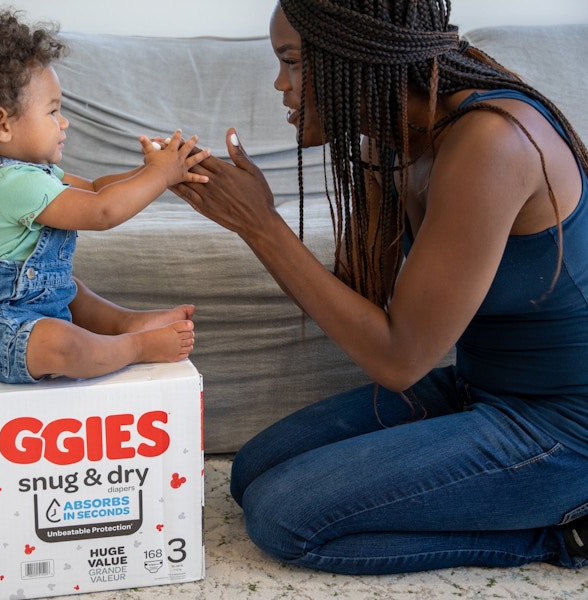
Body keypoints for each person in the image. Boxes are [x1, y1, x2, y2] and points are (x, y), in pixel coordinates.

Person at [172, 0, 588, 575]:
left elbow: (398, 362)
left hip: (564, 429)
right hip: (480, 390)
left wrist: (261, 226)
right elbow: (355, 304)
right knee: (251, 472)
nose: (280, 84)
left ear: (358, 57)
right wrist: (249, 215)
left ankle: (563, 537)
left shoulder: (492, 141)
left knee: (283, 515)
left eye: (292, 63)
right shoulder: (391, 138)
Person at [0, 6, 209, 384]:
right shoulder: (15, 184)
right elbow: (102, 211)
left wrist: (152, 169)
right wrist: (161, 176)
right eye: (52, 111)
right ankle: (136, 346)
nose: (63, 123)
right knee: (61, 344)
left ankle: (126, 322)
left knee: (66, 287)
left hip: (27, 312)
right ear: (1, 123)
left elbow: (97, 188)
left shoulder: (33, 175)